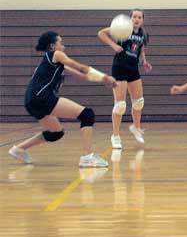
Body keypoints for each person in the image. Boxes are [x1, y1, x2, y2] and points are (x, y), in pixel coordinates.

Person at [8, 31, 116, 167]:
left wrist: (102, 80)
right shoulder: (56, 55)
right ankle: (87, 157)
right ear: (53, 46)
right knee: (87, 114)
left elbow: (82, 76)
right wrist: (106, 76)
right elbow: (81, 68)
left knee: (56, 133)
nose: (63, 46)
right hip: (42, 97)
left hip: (30, 101)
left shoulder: (51, 62)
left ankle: (18, 149)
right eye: (61, 43)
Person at [98, 9, 152, 149]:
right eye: (134, 16)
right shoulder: (122, 28)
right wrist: (114, 45)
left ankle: (136, 127)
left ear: (142, 20)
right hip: (120, 68)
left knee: (139, 102)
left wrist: (144, 61)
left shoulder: (143, 33)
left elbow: (141, 48)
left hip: (133, 68)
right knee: (120, 105)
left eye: (139, 17)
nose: (136, 19)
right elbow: (101, 33)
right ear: (130, 19)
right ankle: (115, 136)